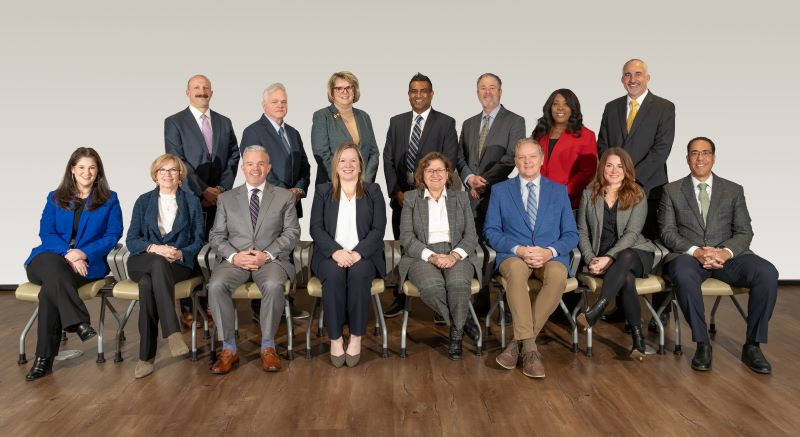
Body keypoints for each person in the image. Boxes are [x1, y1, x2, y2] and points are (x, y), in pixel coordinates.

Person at [659, 137, 778, 374]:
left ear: (713, 157)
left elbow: (744, 231)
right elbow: (667, 232)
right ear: (687, 158)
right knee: (682, 274)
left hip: (729, 257)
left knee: (767, 273)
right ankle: (703, 344)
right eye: (694, 153)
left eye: (705, 153)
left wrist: (725, 252)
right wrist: (697, 251)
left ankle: (753, 345)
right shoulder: (671, 191)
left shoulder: (733, 190)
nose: (700, 158)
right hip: (690, 257)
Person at [23, 147, 123, 381]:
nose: (86, 172)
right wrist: (69, 253)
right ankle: (78, 322)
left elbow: (113, 235)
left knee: (50, 290)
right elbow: (46, 233)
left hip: (86, 264)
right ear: (72, 169)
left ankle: (43, 360)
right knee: (53, 268)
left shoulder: (109, 199)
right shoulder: (55, 197)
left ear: (98, 171)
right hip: (48, 258)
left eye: (92, 167)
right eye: (81, 167)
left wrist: (83, 253)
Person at [484, 138, 578, 379]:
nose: (527, 162)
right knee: (516, 272)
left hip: (549, 255)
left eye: (532, 156)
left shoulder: (558, 191)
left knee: (557, 275)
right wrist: (519, 250)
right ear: (515, 161)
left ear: (542, 159)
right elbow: (491, 231)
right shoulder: (500, 190)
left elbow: (571, 234)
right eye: (522, 157)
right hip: (514, 254)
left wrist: (549, 252)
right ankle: (530, 349)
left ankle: (518, 343)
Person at [207, 146, 300, 374]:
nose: (255, 168)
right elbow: (216, 236)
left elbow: (292, 233)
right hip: (235, 260)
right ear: (243, 168)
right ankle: (229, 348)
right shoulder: (226, 198)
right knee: (216, 285)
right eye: (250, 164)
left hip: (271, 260)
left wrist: (266, 255)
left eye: (260, 164)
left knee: (273, 285)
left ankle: (268, 346)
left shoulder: (285, 196)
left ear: (268, 168)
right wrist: (234, 256)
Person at [597, 59, 675, 329]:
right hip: (616, 190)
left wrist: (630, 179)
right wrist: (615, 179)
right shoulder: (612, 107)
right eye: (628, 75)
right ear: (622, 79)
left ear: (648, 78)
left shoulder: (664, 107)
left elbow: (661, 150)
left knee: (657, 247)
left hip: (649, 189)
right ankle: (621, 305)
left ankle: (661, 310)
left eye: (638, 74)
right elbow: (603, 146)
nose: (633, 79)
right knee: (621, 243)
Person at [382, 72, 462, 317]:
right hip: (401, 197)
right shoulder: (397, 122)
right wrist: (396, 191)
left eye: (423, 91)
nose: (418, 95)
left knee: (435, 246)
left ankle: (439, 302)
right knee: (405, 247)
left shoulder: (445, 123)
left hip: (432, 198)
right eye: (414, 91)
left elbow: (449, 160)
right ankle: (401, 298)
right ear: (409, 95)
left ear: (431, 94)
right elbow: (388, 158)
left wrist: (426, 192)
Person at [165, 74, 239, 327]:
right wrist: (202, 190)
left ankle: (212, 303)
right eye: (196, 87)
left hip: (219, 199)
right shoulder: (174, 122)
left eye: (206, 87)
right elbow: (177, 160)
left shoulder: (224, 122)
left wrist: (220, 189)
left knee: (216, 250)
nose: (201, 91)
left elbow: (234, 156)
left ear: (212, 92)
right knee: (189, 249)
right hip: (189, 197)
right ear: (187, 92)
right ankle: (188, 307)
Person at [125, 154, 205, 378]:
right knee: (155, 264)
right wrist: (155, 248)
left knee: (147, 285)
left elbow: (198, 240)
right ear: (155, 175)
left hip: (177, 263)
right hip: (144, 260)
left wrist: (180, 253)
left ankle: (146, 357)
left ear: (180, 175)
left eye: (173, 170)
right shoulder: (143, 201)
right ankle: (173, 332)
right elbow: (132, 240)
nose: (167, 174)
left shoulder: (191, 202)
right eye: (162, 170)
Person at [397, 152, 482, 360]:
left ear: (447, 174)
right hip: (422, 254)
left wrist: (454, 255)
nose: (435, 174)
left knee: (458, 285)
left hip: (457, 252)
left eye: (440, 170)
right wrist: (432, 256)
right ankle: (460, 323)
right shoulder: (411, 199)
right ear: (422, 174)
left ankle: (456, 337)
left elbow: (471, 236)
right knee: (432, 287)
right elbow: (406, 237)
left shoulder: (461, 198)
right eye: (429, 170)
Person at [575, 148, 657, 360]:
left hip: (636, 254)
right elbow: (582, 231)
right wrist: (590, 258)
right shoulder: (589, 193)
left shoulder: (637, 194)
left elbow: (632, 234)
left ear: (627, 170)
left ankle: (598, 308)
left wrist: (610, 257)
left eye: (620, 166)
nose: (614, 170)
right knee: (626, 279)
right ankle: (638, 341)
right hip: (602, 259)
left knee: (626, 256)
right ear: (602, 168)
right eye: (609, 165)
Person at [309, 144, 386, 367]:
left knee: (359, 275)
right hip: (329, 255)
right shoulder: (323, 191)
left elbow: (378, 229)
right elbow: (316, 228)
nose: (348, 165)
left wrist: (358, 253)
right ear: (335, 166)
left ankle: (355, 337)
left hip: (364, 256)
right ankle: (335, 339)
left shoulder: (373, 191)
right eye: (342, 160)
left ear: (361, 166)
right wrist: (335, 252)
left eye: (353, 160)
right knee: (333, 276)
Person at [456, 73, 526, 320]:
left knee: (502, 247)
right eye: (483, 88)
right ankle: (481, 298)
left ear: (500, 91)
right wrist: (469, 179)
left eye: (492, 87)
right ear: (477, 93)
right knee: (475, 247)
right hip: (471, 197)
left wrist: (483, 181)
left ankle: (508, 304)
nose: (487, 92)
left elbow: (511, 158)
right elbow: (459, 157)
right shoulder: (468, 123)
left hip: (499, 195)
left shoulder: (515, 121)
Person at [240, 83, 311, 320]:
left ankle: (286, 303)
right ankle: (260, 307)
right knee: (264, 252)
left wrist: (298, 189)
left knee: (286, 253)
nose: (280, 105)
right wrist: (283, 193)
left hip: (292, 203)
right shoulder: (253, 131)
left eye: (283, 101)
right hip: (266, 206)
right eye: (275, 102)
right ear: (264, 105)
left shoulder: (293, 133)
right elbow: (256, 170)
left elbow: (305, 166)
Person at [533, 88, 598, 209]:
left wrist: (562, 192)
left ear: (573, 108)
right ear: (550, 107)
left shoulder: (586, 135)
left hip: (568, 202)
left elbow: (587, 173)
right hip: (539, 201)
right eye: (555, 104)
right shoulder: (540, 133)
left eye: (566, 104)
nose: (560, 108)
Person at [311, 71, 380, 184]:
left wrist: (365, 182)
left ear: (355, 91)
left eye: (349, 87)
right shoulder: (322, 116)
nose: (345, 91)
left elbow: (374, 153)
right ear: (332, 92)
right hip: (332, 185)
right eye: (339, 88)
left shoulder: (364, 116)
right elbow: (322, 154)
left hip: (363, 186)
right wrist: (343, 182)